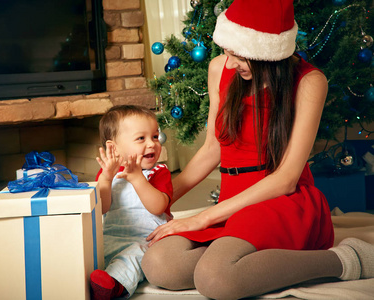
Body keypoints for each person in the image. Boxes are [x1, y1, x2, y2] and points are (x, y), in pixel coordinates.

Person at [141, 0, 374, 299]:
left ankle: (347, 259)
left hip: (281, 199)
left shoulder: (309, 81)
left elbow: (287, 178)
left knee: (216, 278)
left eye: (240, 55)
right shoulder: (219, 68)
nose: (230, 61)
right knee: (160, 265)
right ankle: (239, 259)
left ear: (266, 54)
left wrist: (203, 217)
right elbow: (213, 148)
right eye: (228, 50)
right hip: (232, 199)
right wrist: (161, 199)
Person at [90, 105, 173, 299]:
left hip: (147, 239)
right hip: (111, 235)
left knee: (133, 257)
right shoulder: (108, 175)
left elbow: (158, 207)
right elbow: (101, 208)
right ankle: (98, 279)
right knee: (94, 254)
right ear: (113, 148)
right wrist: (106, 179)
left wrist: (138, 178)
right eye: (141, 139)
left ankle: (116, 286)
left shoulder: (159, 172)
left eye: (155, 136)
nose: (152, 144)